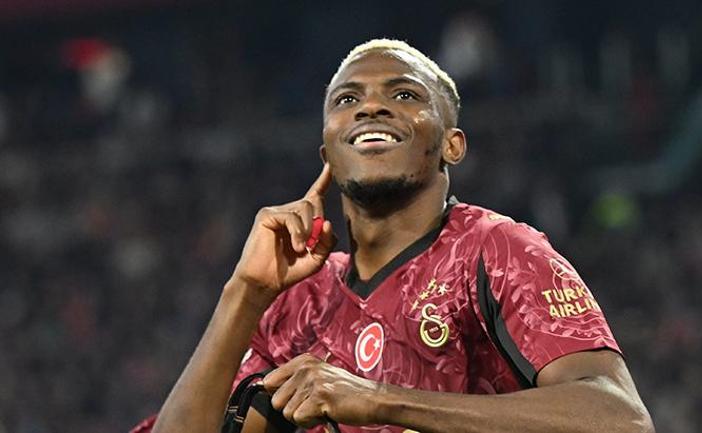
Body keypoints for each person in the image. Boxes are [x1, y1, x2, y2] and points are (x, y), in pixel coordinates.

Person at [132, 39, 654, 433]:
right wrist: (244, 293)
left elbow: (620, 419)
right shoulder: (298, 302)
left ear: (451, 145)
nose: (370, 107)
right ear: (328, 154)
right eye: (347, 99)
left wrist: (379, 399)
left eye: (404, 94)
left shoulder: (497, 249)